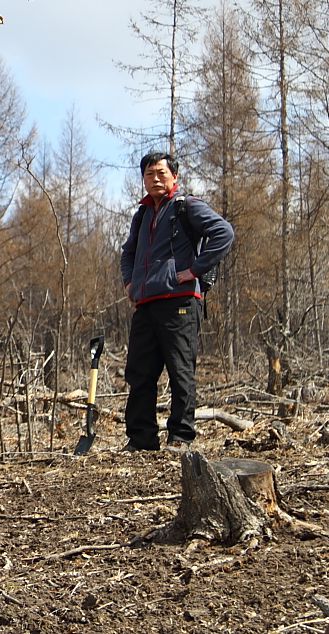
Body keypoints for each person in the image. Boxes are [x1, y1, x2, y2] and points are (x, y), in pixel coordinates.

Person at [120, 152, 234, 452]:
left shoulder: (187, 206)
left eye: (161, 173)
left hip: (180, 301)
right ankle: (141, 439)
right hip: (146, 303)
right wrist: (130, 283)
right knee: (139, 372)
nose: (155, 179)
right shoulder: (142, 215)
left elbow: (223, 232)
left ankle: (180, 437)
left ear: (174, 177)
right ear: (143, 179)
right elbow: (128, 252)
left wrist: (194, 270)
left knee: (180, 370)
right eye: (149, 174)